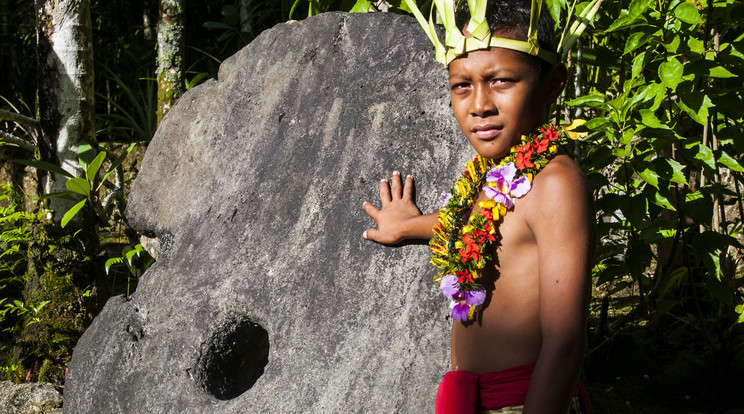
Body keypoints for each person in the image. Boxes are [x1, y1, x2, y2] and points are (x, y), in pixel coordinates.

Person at [361, 0, 596, 413]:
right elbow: (490, 229)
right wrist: (410, 225)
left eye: (502, 81)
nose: (479, 104)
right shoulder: (498, 174)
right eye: (461, 85)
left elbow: (564, 344)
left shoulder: (555, 183)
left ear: (554, 83)